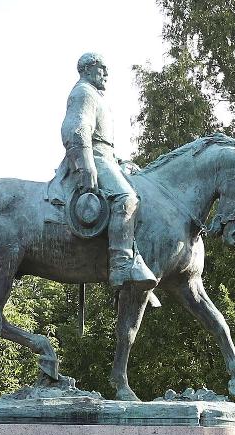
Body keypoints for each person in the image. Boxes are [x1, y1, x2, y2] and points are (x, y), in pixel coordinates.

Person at [59, 52, 157, 291]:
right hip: (93, 157)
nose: (106, 74)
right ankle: (121, 264)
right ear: (88, 68)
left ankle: (136, 259)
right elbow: (75, 129)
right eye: (102, 68)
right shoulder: (83, 92)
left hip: (106, 157)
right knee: (127, 198)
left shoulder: (95, 95)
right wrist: (86, 165)